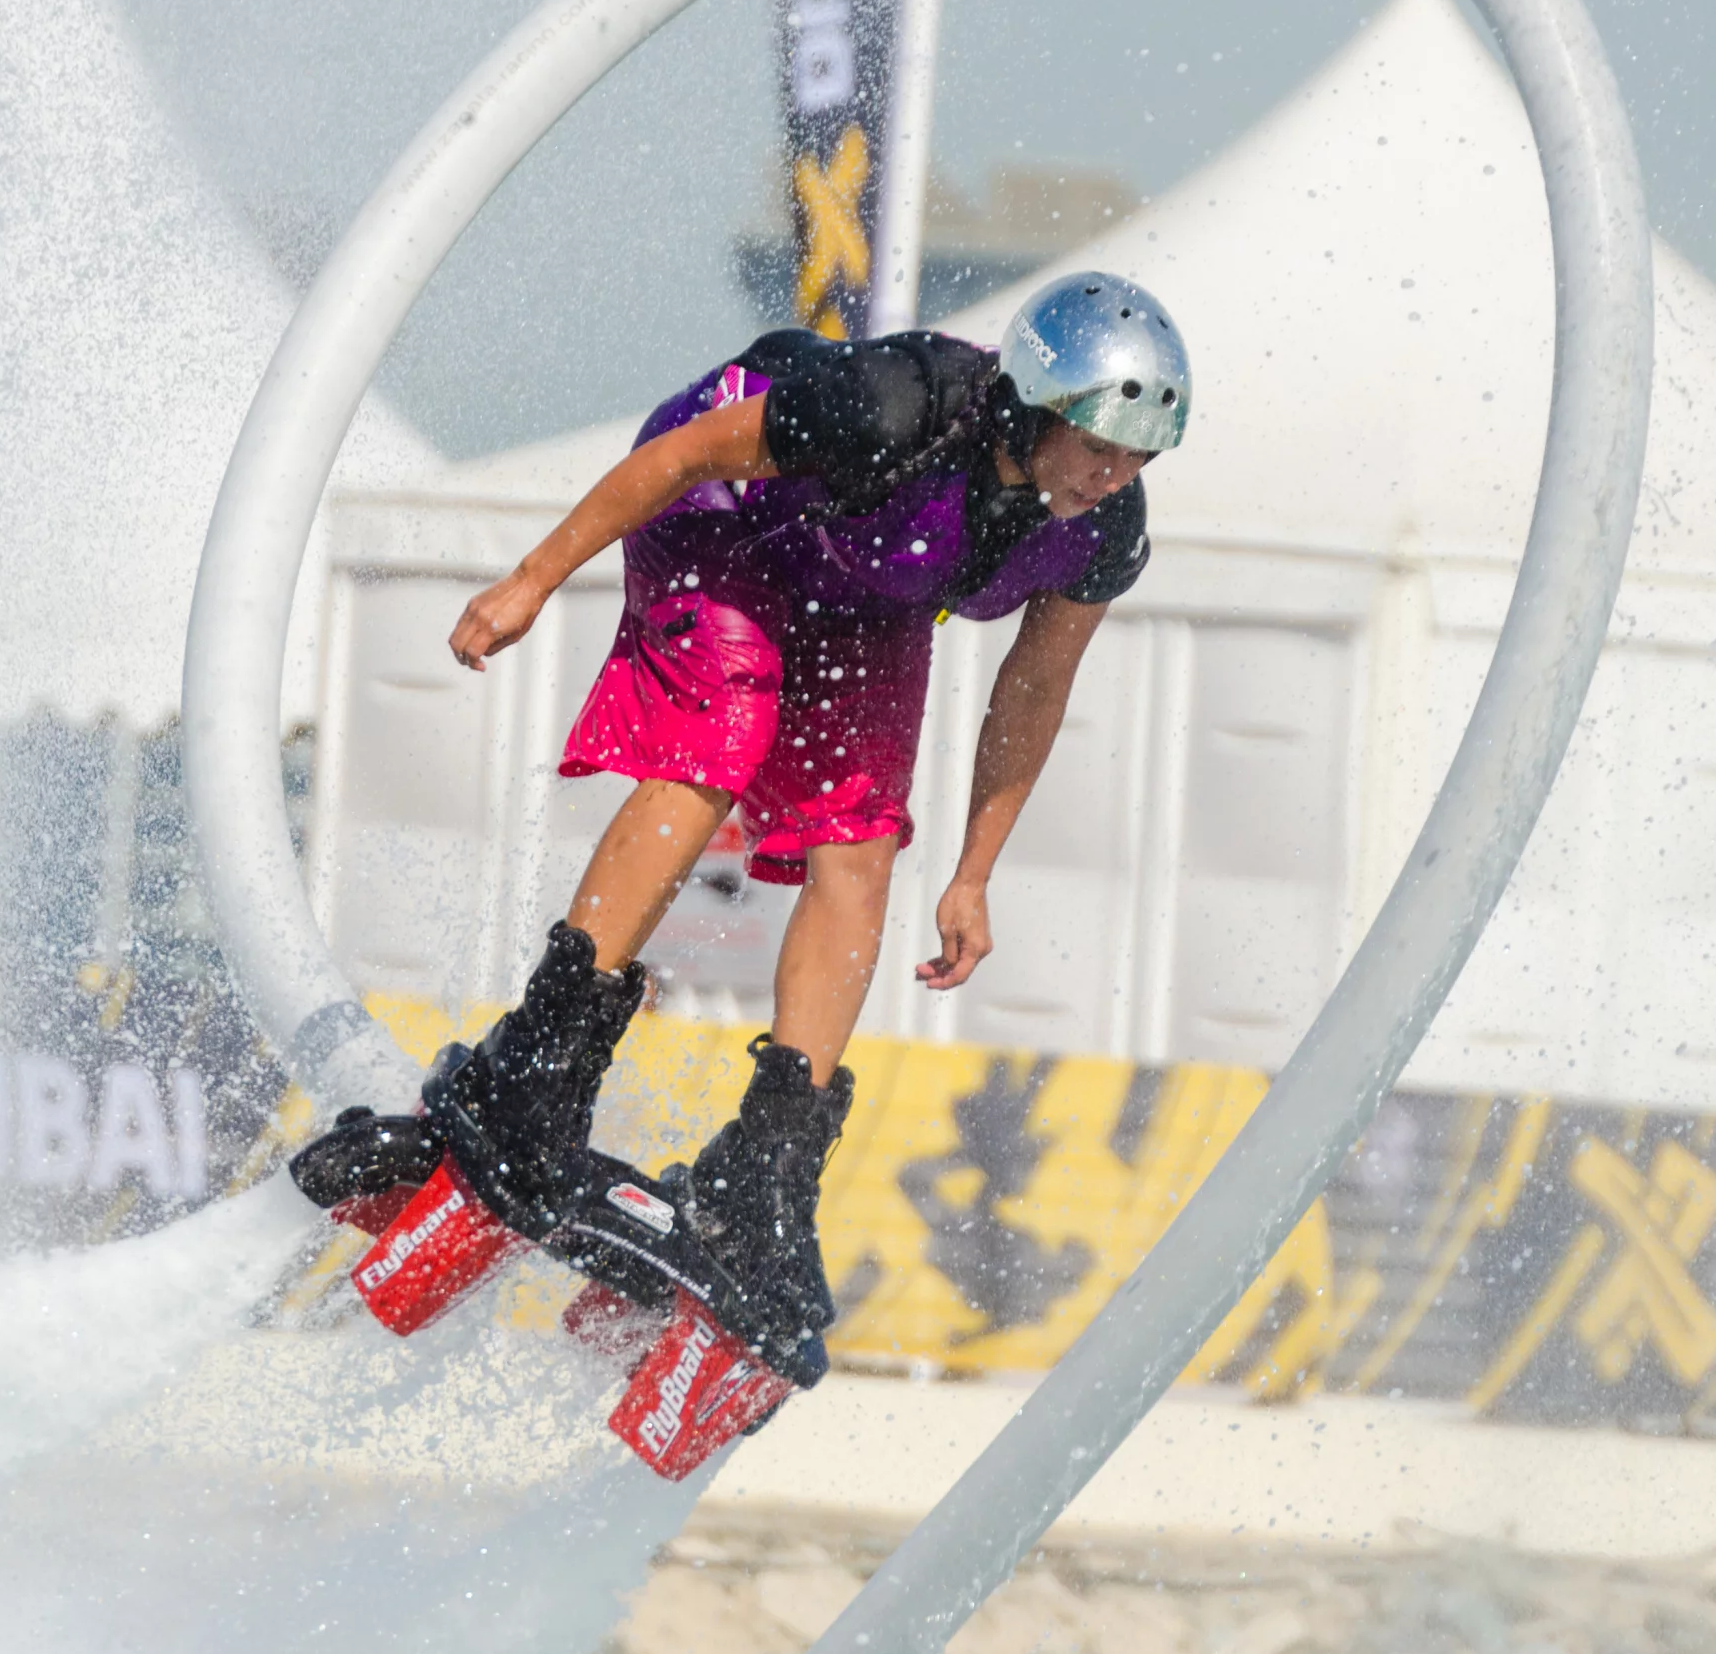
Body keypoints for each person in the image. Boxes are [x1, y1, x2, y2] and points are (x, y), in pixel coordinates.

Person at [427, 271, 1190, 1346]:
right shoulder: (893, 406)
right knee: (720, 742)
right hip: (722, 519)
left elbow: (1034, 690)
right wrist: (530, 582)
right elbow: (683, 459)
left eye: (1137, 460)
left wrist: (973, 872)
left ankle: (763, 1175)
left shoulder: (1103, 531)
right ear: (1033, 406)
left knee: (864, 839)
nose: (1114, 479)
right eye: (1098, 449)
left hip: (860, 587)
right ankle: (539, 1059)